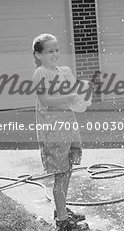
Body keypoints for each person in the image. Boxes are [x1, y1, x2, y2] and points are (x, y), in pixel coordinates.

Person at [32, 33, 89, 231]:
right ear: (38, 55)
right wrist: (70, 98)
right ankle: (63, 222)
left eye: (57, 50)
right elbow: (46, 101)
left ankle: (61, 209)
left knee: (68, 169)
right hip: (53, 130)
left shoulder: (64, 70)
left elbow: (75, 92)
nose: (55, 53)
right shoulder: (41, 73)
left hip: (68, 127)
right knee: (61, 173)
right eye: (50, 51)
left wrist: (83, 93)